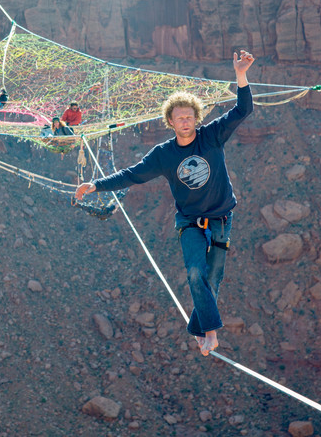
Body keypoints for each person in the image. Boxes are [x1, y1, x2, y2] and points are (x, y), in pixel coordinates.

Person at [75, 50, 255, 357]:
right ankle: (210, 334)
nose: (185, 122)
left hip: (222, 219)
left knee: (213, 278)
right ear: (169, 121)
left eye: (189, 117)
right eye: (179, 117)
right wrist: (96, 185)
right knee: (197, 273)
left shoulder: (211, 136)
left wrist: (240, 75)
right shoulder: (163, 154)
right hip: (189, 223)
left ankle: (199, 330)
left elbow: (243, 110)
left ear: (196, 118)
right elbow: (133, 175)